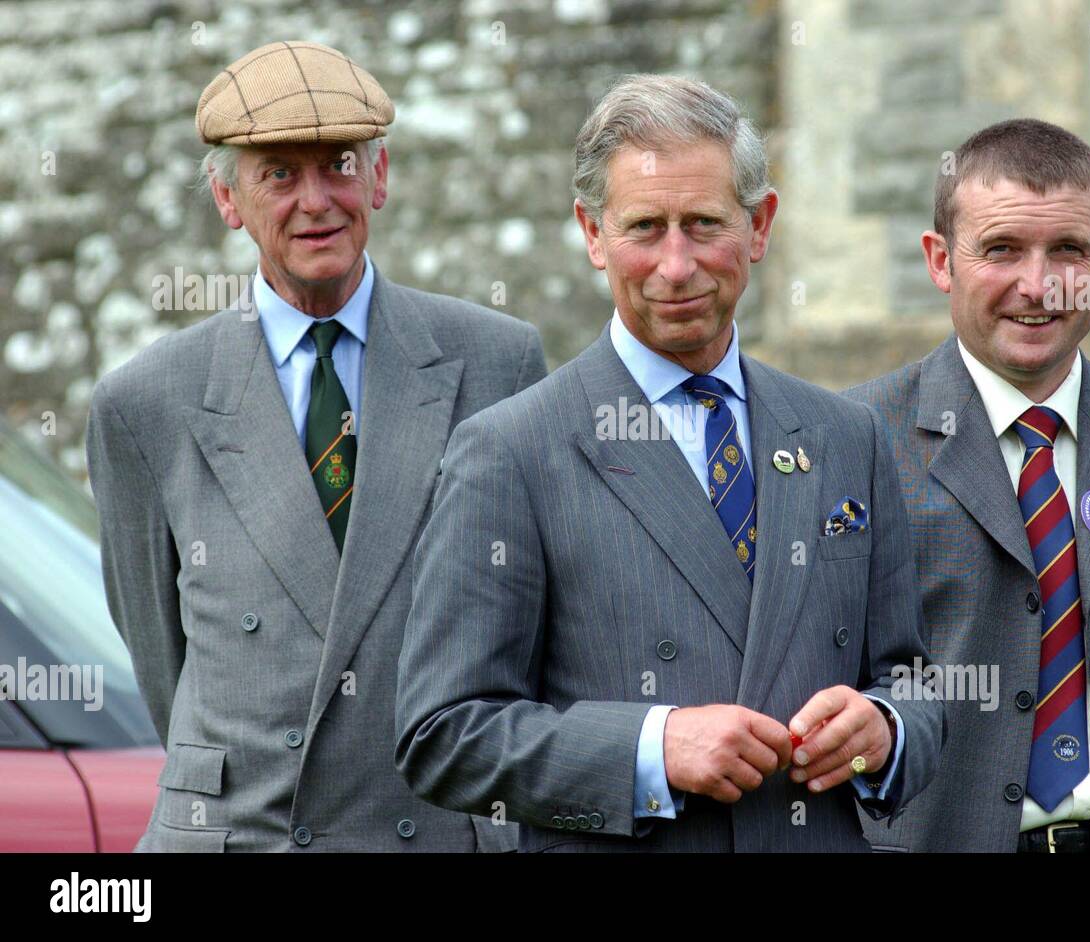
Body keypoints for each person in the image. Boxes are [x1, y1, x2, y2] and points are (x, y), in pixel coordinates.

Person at [395, 74, 942, 852]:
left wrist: (884, 731)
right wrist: (652, 749)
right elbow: (442, 735)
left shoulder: (843, 435)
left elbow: (913, 683)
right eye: (645, 227)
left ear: (760, 226)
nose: (677, 265)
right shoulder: (511, 450)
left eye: (705, 224)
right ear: (592, 233)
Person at [86, 41, 546, 851]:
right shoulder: (144, 403)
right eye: (278, 175)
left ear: (380, 177)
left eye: (337, 164)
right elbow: (161, 660)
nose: (316, 201)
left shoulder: (496, 361)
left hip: (433, 830)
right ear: (229, 201)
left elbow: (531, 624)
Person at [846, 118, 1090, 852]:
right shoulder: (853, 442)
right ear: (941, 261)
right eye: (1000, 249)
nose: (1038, 286)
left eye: (1067, 249)